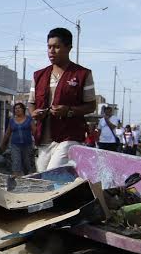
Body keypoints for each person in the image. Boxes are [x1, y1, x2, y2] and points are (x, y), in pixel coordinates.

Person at [28, 28, 97, 172]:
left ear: (69, 48)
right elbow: (31, 103)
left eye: (57, 47)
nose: (51, 51)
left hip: (68, 137)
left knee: (52, 174)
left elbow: (91, 106)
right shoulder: (38, 76)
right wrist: (34, 113)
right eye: (49, 47)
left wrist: (69, 111)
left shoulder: (82, 74)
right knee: (43, 179)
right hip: (44, 140)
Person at [0, 102, 35, 176]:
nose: (17, 109)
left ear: (23, 109)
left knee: (27, 164)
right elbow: (7, 133)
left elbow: (35, 131)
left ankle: (28, 180)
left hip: (27, 145)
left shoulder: (29, 119)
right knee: (16, 163)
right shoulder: (12, 120)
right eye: (16, 108)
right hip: (15, 146)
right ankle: (15, 182)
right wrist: (2, 144)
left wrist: (38, 142)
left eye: (19, 108)